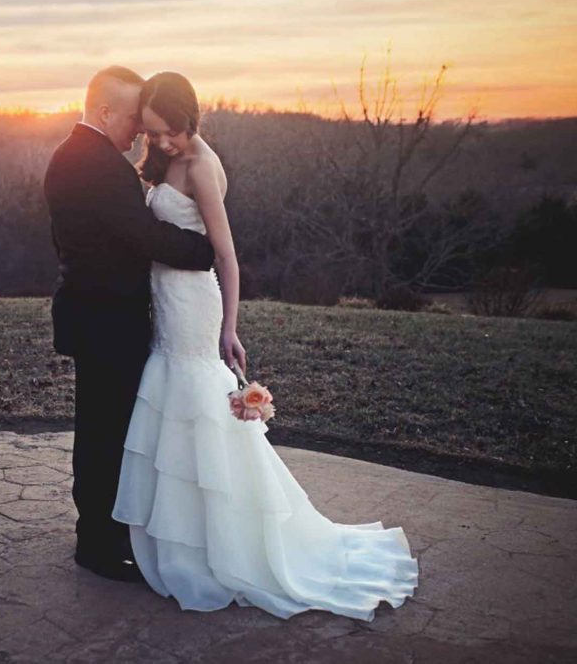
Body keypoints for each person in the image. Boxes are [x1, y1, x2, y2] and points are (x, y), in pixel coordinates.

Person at [111, 71, 419, 621]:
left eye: (169, 133)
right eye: (153, 133)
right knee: (173, 418)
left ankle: (227, 545)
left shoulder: (203, 165)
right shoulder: (165, 159)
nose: (160, 143)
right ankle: (183, 539)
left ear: (191, 118)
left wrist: (230, 328)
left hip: (195, 311)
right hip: (165, 305)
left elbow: (226, 257)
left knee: (201, 415)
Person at [43, 66, 216, 582]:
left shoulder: (71, 156)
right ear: (103, 112)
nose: (140, 132)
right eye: (133, 121)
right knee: (104, 433)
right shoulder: (97, 164)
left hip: (95, 313)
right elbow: (144, 236)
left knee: (102, 428)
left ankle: (104, 532)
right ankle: (97, 543)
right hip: (106, 320)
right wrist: (203, 250)